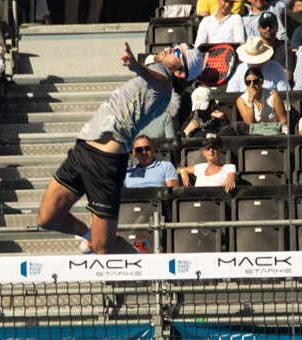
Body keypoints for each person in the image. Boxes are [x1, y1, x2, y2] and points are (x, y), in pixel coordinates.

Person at [36, 41, 204, 255]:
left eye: (177, 51)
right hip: (83, 151)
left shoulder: (164, 84)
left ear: (180, 73)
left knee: (103, 249)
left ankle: (142, 262)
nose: (170, 48)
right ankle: (88, 235)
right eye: (173, 45)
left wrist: (137, 66)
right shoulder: (157, 71)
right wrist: (142, 66)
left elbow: (162, 82)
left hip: (106, 162)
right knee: (47, 218)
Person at [257, 12, 296, 81]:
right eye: (264, 25)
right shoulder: (254, 48)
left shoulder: (286, 49)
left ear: (277, 27)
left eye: (271, 25)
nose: (268, 28)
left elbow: (287, 77)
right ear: (258, 28)